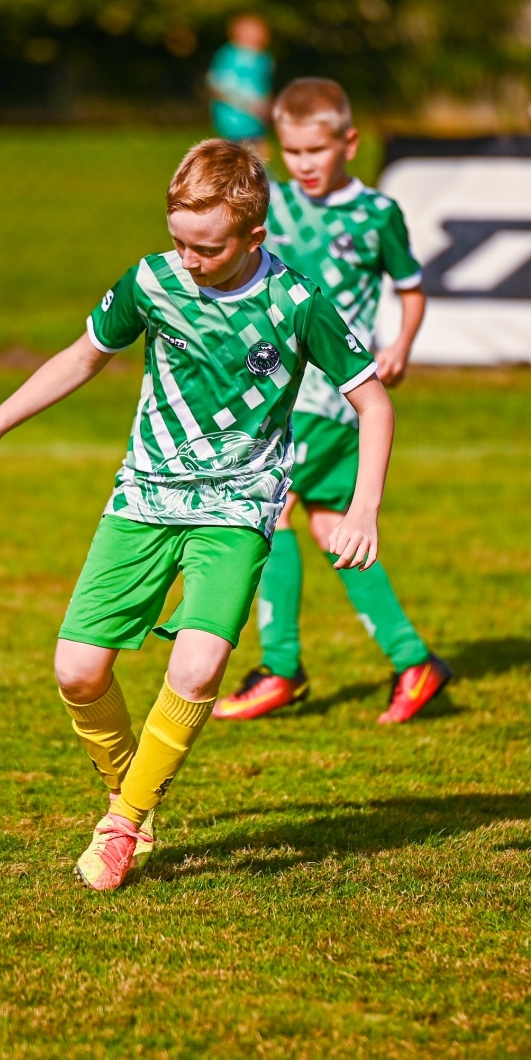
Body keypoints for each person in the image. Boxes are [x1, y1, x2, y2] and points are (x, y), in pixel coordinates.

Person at [0, 140, 394, 892]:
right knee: (78, 672)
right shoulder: (151, 280)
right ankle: (133, 798)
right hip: (144, 498)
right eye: (178, 239)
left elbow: (373, 402)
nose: (187, 259)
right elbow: (83, 355)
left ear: (254, 237)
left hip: (239, 506)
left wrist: (363, 506)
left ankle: (122, 825)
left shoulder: (296, 301)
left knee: (201, 662)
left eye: (206, 248)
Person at [214, 78, 450, 725]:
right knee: (330, 529)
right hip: (281, 388)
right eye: (291, 152)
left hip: (333, 392)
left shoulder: (378, 213)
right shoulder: (276, 208)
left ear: (348, 142)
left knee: (273, 504)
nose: (305, 164)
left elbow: (412, 286)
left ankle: (281, 666)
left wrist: (400, 343)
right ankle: (413, 658)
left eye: (316, 149)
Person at [207, 13, 273, 155]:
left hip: (255, 118)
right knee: (242, 153)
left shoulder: (263, 58)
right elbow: (218, 84)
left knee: (257, 152)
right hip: (234, 116)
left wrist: (266, 104)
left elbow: (262, 86)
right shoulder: (230, 55)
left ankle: (256, 175)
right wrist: (248, 103)